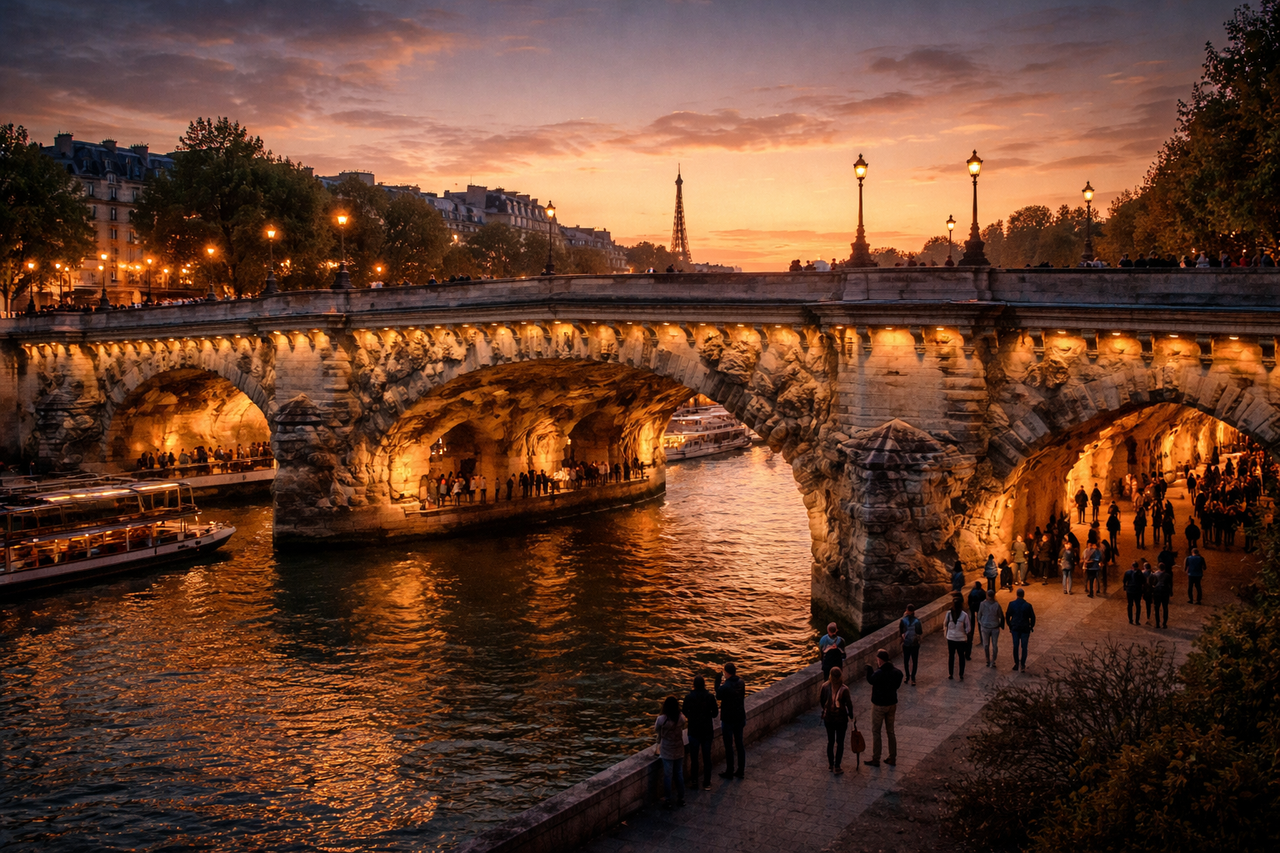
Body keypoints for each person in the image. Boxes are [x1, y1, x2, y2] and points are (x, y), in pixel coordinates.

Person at [864, 650, 902, 768]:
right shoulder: (897, 673)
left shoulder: (879, 673)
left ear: (880, 660)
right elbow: (897, 683)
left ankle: (876, 758)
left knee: (876, 732)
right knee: (890, 731)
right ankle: (892, 757)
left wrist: (869, 669)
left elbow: (871, 680)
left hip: (879, 705)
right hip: (891, 704)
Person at [682, 676, 718, 791]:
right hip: (707, 731)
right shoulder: (710, 697)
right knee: (707, 757)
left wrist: (692, 717)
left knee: (694, 758)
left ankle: (694, 781)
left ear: (694, 685)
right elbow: (715, 713)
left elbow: (684, 711)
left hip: (694, 731)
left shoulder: (689, 697)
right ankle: (707, 783)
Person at [819, 666, 854, 773]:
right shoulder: (844, 689)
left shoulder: (825, 686)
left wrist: (825, 709)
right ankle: (837, 765)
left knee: (830, 741)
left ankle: (830, 764)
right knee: (840, 742)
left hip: (829, 718)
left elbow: (821, 700)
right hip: (841, 719)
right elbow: (849, 704)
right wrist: (851, 715)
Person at [653, 696, 687, 808]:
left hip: (667, 749)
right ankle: (681, 798)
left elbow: (656, 729)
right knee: (679, 773)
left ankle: (668, 799)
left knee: (668, 775)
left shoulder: (662, 719)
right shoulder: (681, 718)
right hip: (679, 748)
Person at [715, 662, 746, 779]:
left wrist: (717, 683)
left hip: (728, 719)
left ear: (727, 673)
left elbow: (718, 695)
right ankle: (741, 769)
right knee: (739, 744)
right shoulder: (741, 683)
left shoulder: (726, 686)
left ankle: (730, 770)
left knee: (729, 746)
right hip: (740, 717)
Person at [1006, 588, 1036, 672]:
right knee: (1024, 646)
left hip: (1015, 627)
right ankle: (1022, 663)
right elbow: (1032, 617)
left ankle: (1016, 663)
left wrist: (1010, 625)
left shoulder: (1012, 604)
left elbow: (1008, 615)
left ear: (1017, 594)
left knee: (1015, 646)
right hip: (1025, 628)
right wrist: (1031, 626)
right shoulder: (1028, 605)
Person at [944, 596, 971, 681]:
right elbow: (968, 628)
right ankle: (961, 674)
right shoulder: (964, 615)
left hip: (951, 638)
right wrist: (965, 633)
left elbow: (945, 624)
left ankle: (951, 673)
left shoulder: (948, 614)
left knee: (951, 656)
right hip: (961, 639)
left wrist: (947, 633)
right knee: (961, 657)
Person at [977, 589, 1004, 666]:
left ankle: (987, 659)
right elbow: (1000, 615)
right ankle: (993, 660)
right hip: (995, 626)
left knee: (986, 645)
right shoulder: (997, 605)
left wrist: (981, 622)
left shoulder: (982, 604)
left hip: (985, 627)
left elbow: (979, 614)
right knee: (994, 645)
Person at [898, 605, 923, 686]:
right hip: (915, 643)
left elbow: (901, 632)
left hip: (906, 643)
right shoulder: (917, 621)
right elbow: (920, 632)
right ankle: (913, 678)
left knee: (906, 660)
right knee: (914, 660)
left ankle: (907, 676)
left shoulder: (903, 620)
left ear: (906, 610)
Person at [1123, 560, 1145, 625]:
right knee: (1138, 605)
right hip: (1138, 590)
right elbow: (1144, 581)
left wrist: (1125, 587)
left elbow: (1124, 581)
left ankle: (1130, 620)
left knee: (1130, 605)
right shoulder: (1140, 573)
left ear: (1131, 566)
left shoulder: (1127, 572)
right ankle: (1137, 620)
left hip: (1130, 590)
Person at [1152, 563, 1172, 629]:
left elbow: (1153, 583)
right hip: (1165, 591)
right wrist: (1170, 592)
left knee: (1157, 608)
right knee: (1165, 608)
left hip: (1157, 591)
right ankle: (1164, 624)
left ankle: (1157, 623)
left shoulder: (1155, 574)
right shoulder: (1167, 575)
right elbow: (1170, 584)